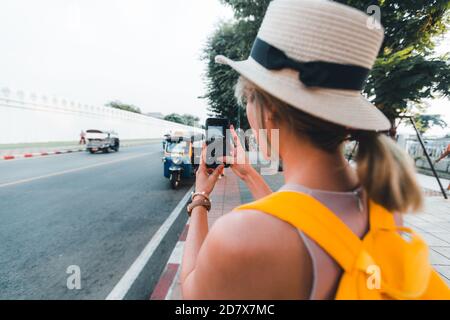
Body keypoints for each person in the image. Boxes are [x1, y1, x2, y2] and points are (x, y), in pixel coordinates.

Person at [180, 0, 428, 299]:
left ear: (267, 109)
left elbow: (192, 295)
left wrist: (199, 198)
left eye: (248, 100)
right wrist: (250, 176)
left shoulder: (241, 234)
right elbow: (309, 220)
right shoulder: (384, 202)